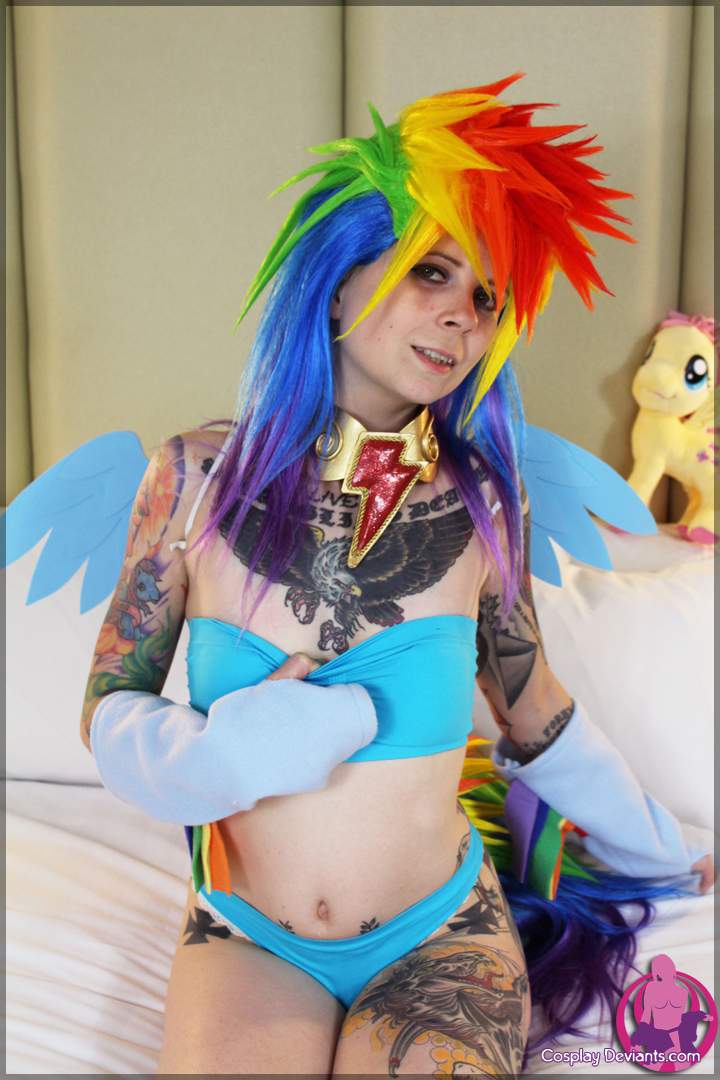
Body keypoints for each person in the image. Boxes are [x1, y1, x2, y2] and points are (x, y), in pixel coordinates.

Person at [80, 75, 713, 1077]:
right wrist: (226, 754)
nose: (464, 317)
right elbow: (109, 705)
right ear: (338, 279)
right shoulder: (194, 479)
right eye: (433, 272)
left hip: (441, 940)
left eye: (487, 298)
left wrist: (666, 848)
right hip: (249, 937)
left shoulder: (486, 501)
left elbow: (531, 705)